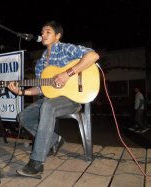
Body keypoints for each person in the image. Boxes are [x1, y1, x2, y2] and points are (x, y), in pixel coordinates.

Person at [7, 20, 100, 177]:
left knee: (47, 106)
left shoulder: (66, 49)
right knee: (22, 117)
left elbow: (93, 55)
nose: (43, 34)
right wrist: (21, 92)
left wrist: (68, 73)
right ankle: (54, 140)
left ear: (57, 36)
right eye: (42, 32)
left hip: (71, 99)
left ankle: (36, 163)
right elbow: (41, 87)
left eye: (47, 32)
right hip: (49, 100)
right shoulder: (40, 62)